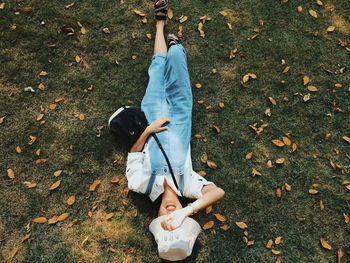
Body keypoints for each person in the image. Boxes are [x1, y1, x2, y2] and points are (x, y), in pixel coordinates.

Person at [109, 0, 225, 260]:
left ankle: (160, 22)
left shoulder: (141, 185)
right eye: (177, 216)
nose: (171, 212)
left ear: (157, 216)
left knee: (158, 68)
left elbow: (134, 154)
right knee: (176, 58)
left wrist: (148, 129)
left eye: (168, 218)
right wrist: (187, 211)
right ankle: (175, 45)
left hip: (153, 115)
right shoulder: (189, 186)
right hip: (181, 117)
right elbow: (218, 192)